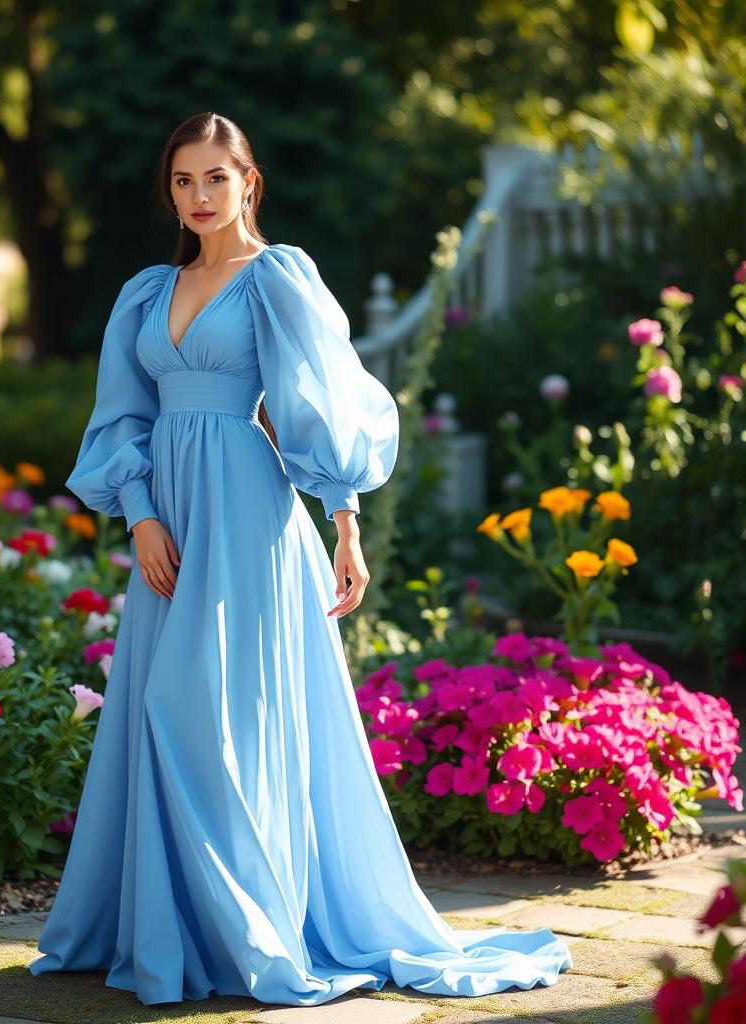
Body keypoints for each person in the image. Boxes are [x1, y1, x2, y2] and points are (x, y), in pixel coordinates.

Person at [28, 111, 573, 1007]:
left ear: (250, 180)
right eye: (182, 180)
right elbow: (120, 418)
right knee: (163, 705)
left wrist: (345, 520)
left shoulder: (277, 278)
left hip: (249, 518)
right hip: (169, 521)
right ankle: (185, 936)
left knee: (197, 710)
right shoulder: (143, 293)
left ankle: (252, 929)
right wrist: (139, 515)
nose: (199, 196)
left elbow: (317, 403)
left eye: (215, 177)